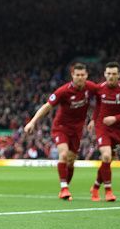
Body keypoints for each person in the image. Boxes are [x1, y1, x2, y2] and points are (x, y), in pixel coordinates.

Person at [24, 63, 98, 200]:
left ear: (86, 75)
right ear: (72, 75)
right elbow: (47, 106)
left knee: (71, 161)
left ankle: (65, 188)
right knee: (63, 154)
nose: (80, 78)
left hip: (77, 130)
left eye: (82, 75)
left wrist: (94, 119)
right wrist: (33, 122)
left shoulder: (91, 88)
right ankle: (64, 188)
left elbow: (102, 97)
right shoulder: (63, 91)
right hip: (61, 127)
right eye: (77, 75)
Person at [88, 62, 120, 202]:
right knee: (107, 155)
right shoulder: (99, 88)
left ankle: (95, 186)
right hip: (102, 126)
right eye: (108, 74)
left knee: (107, 161)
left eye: (114, 74)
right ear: (104, 74)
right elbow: (98, 105)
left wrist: (115, 118)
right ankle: (108, 191)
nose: (111, 76)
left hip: (119, 129)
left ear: (119, 75)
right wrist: (93, 120)